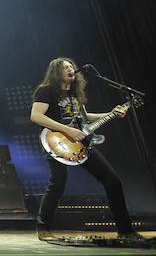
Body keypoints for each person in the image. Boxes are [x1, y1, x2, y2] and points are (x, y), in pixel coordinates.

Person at [30, 57, 139, 241]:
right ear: (56, 71)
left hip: (81, 144)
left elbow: (85, 117)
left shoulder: (74, 94)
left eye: (72, 66)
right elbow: (36, 116)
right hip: (57, 142)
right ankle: (43, 227)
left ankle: (125, 230)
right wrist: (67, 130)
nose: (71, 69)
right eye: (66, 67)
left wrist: (111, 113)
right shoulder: (47, 91)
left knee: (112, 180)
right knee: (58, 183)